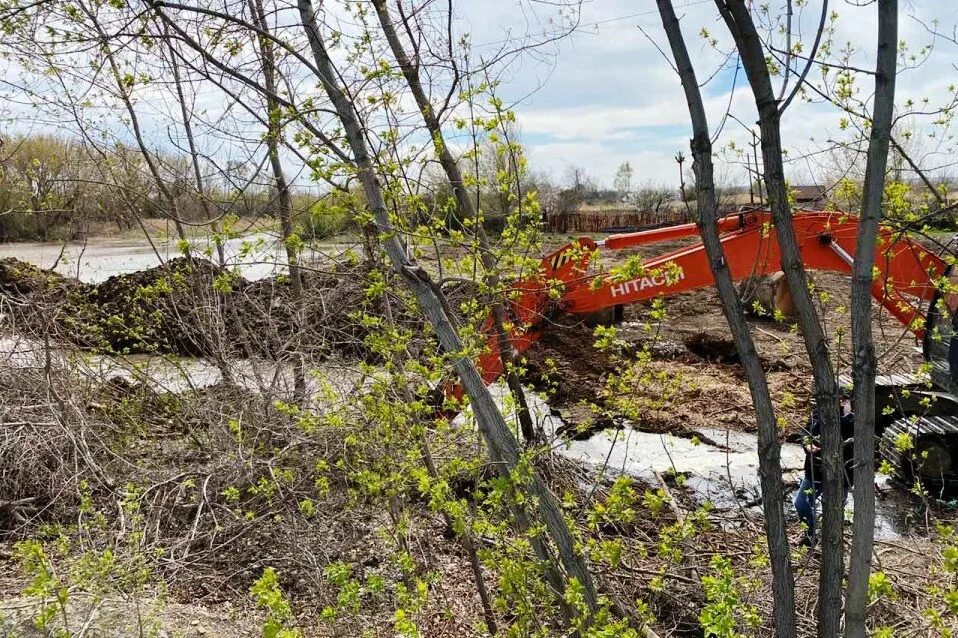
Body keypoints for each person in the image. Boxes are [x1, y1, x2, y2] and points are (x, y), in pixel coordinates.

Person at [794, 393, 855, 547]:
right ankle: (811, 533)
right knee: (802, 503)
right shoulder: (817, 413)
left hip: (841, 475)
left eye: (843, 400)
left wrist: (847, 414)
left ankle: (831, 544)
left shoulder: (853, 419)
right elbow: (806, 433)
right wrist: (807, 445)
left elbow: (849, 435)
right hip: (814, 471)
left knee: (834, 511)